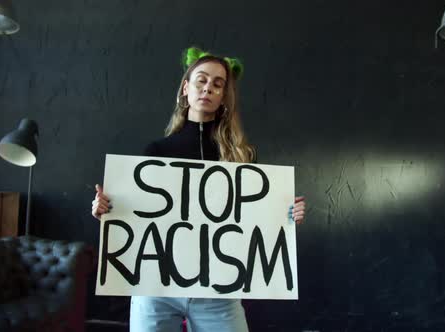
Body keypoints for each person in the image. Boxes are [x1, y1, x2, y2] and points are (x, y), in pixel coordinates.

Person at [91, 46, 306, 332]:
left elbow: (256, 221)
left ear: (223, 97)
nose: (208, 88)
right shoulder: (157, 151)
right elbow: (136, 218)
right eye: (201, 80)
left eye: (218, 84)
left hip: (218, 291)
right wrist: (105, 209)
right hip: (156, 287)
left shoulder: (243, 157)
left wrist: (286, 216)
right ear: (185, 88)